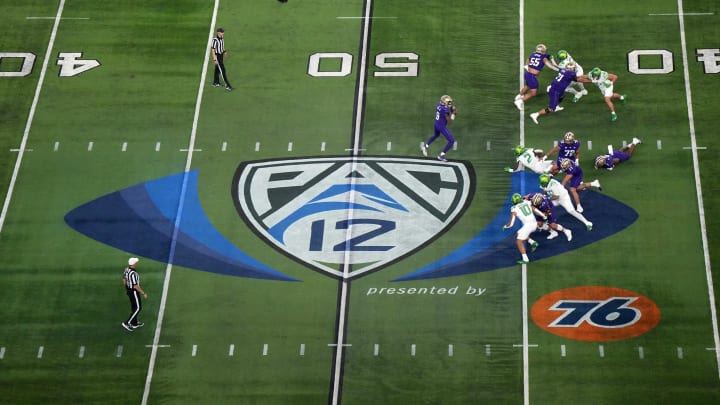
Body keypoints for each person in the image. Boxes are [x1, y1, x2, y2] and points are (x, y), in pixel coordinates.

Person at [514, 44, 559, 110]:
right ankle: (519, 101)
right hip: (532, 76)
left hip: (527, 73)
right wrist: (559, 70)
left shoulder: (533, 53)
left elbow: (528, 59)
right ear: (543, 51)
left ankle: (519, 95)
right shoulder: (544, 58)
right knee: (534, 93)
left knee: (528, 86)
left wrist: (526, 66)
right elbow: (550, 66)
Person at [503, 193, 544, 264]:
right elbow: (535, 209)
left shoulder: (514, 209)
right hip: (534, 223)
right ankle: (533, 242)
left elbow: (511, 224)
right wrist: (543, 215)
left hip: (528, 226)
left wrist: (505, 226)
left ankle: (525, 259)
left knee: (519, 241)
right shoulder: (527, 202)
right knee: (519, 232)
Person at [421, 95, 458, 162]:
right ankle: (441, 155)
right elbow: (449, 122)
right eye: (448, 102)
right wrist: (453, 114)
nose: (450, 103)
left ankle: (425, 146)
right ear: (444, 102)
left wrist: (450, 108)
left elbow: (446, 107)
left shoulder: (439, 104)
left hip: (436, 124)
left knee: (436, 135)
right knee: (451, 141)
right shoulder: (444, 110)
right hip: (441, 126)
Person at [122, 257, 148, 331]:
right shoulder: (133, 274)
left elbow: (124, 279)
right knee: (138, 308)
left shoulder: (126, 269)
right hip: (133, 292)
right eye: (136, 262)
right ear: (133, 264)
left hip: (129, 290)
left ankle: (134, 323)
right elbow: (136, 286)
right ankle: (127, 322)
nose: (137, 263)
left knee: (134, 307)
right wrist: (143, 293)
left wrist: (127, 288)